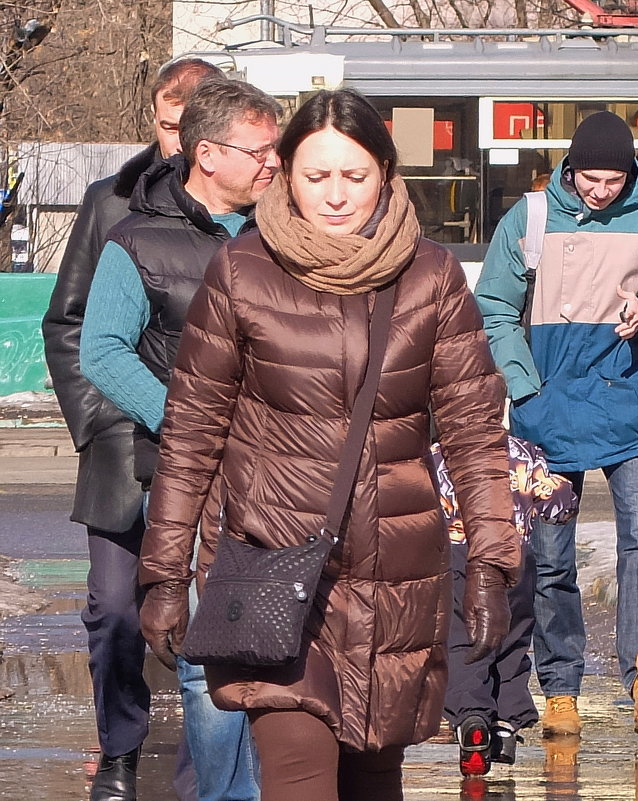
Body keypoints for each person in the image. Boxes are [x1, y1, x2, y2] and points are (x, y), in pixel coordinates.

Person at [134, 88, 521, 801]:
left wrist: (493, 563)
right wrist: (163, 574)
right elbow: (192, 433)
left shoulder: (430, 276)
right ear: (283, 172)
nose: (336, 196)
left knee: (373, 782)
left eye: (355, 176)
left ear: (385, 173)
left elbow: (473, 428)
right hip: (274, 570)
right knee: (298, 774)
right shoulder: (242, 272)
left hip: (395, 577)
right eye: (317, 177)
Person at [79, 77, 281, 801]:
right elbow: (100, 348)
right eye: (260, 151)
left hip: (280, 474)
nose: (274, 164)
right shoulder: (135, 238)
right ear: (207, 154)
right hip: (182, 474)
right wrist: (190, 425)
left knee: (278, 646)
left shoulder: (282, 235)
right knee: (204, 651)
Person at [475, 110, 638, 737]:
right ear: (570, 169)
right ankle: (561, 688)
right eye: (592, 178)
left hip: (628, 401)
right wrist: (523, 384)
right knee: (549, 559)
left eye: (615, 179)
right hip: (548, 412)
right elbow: (493, 308)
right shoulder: (530, 218)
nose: (602, 190)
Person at [40, 57, 222, 801]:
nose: (171, 139)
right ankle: (120, 744)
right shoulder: (109, 201)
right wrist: (95, 421)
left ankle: (205, 770)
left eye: (185, 125)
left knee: (209, 615)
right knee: (114, 610)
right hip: (122, 441)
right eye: (163, 123)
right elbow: (69, 321)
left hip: (214, 447)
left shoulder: (247, 213)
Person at [433, 436, 578, 776]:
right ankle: (505, 726)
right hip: (516, 558)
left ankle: (472, 719)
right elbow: (556, 506)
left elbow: (422, 507)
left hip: (460, 556)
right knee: (511, 643)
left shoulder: (440, 455)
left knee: (464, 641)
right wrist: (562, 494)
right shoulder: (523, 453)